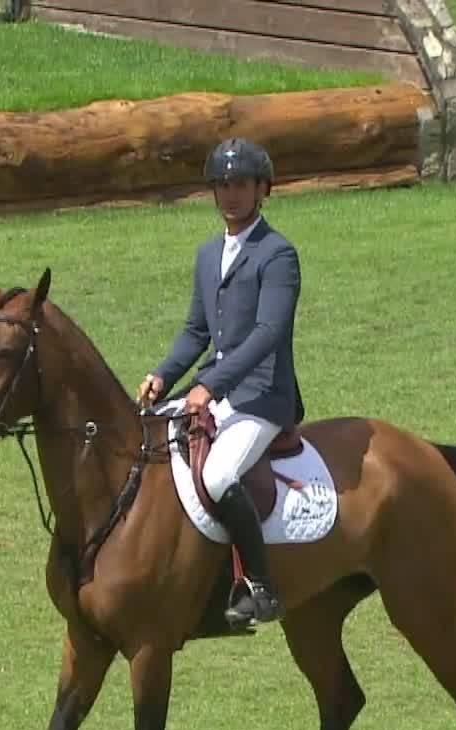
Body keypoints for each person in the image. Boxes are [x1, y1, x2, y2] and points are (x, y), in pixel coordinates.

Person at [138, 137, 304, 627]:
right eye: (222, 185)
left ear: (262, 189)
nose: (231, 194)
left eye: (241, 185)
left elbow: (268, 334)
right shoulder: (209, 254)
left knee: (217, 475)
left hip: (262, 396)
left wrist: (211, 387)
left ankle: (259, 585)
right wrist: (163, 375)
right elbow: (196, 331)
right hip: (218, 389)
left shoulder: (278, 254)